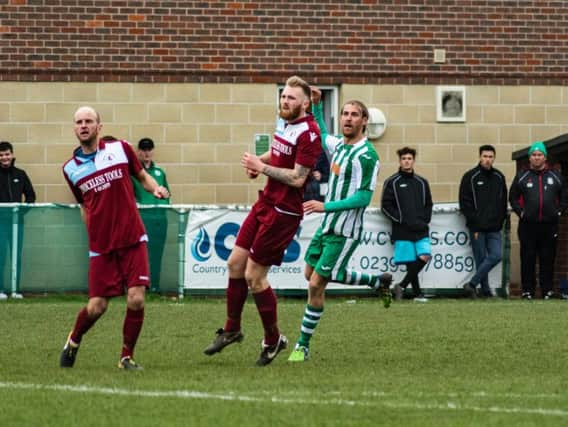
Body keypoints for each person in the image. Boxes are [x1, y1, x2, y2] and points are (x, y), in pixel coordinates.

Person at [203, 76, 321, 366]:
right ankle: (232, 329)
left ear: (305, 103)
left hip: (284, 212)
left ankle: (273, 340)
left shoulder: (310, 133)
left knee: (254, 277)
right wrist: (260, 160)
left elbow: (298, 177)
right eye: (283, 96)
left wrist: (262, 167)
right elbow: (279, 153)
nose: (285, 101)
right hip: (266, 202)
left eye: (291, 98)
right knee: (234, 264)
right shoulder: (287, 123)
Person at [59, 106, 170, 370]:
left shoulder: (120, 149)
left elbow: (142, 177)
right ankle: (73, 341)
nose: (83, 125)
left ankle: (126, 357)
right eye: (79, 122)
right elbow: (85, 206)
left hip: (132, 237)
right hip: (102, 246)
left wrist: (156, 188)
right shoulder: (70, 169)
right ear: (75, 129)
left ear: (99, 127)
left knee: (136, 298)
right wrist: (92, 236)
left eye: (89, 121)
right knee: (97, 307)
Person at [287, 87, 391, 363]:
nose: (348, 119)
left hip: (344, 231)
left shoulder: (366, 156)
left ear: (364, 121)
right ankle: (376, 281)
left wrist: (325, 206)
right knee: (310, 275)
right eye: (344, 113)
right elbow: (322, 135)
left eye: (354, 115)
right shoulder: (340, 146)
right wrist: (318, 107)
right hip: (327, 226)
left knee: (316, 284)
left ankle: (302, 346)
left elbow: (363, 197)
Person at [509, 141, 568, 300]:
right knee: (527, 258)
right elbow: (513, 197)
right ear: (529, 158)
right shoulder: (522, 176)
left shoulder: (555, 176)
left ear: (545, 157)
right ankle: (527, 290)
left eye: (539, 155)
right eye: (534, 155)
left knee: (547, 258)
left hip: (549, 225)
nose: (536, 158)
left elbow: (564, 196)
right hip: (528, 225)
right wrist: (521, 213)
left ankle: (547, 290)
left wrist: (559, 211)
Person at [382, 147, 433, 303]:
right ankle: (417, 294)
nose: (407, 161)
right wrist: (401, 219)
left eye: (409, 158)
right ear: (400, 161)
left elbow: (429, 204)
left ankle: (401, 286)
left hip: (421, 228)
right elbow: (385, 206)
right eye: (404, 158)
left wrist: (424, 220)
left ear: (413, 161)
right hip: (402, 229)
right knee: (411, 263)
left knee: (425, 255)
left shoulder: (422, 182)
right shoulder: (392, 182)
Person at [459, 145, 507, 299]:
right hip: (477, 227)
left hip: (494, 227)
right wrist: (474, 222)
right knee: (480, 259)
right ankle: (485, 291)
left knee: (496, 255)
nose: (487, 159)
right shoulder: (470, 176)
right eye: (485, 156)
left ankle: (471, 284)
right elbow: (464, 203)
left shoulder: (499, 176)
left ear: (494, 158)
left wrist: (500, 220)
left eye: (490, 156)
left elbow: (503, 201)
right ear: (480, 157)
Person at [131, 137, 171, 293]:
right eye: (143, 150)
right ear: (138, 152)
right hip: (143, 218)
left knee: (157, 253)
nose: (146, 153)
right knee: (141, 255)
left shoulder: (160, 172)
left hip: (160, 219)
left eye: (149, 150)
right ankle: (141, 287)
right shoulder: (135, 174)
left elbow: (167, 194)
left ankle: (155, 287)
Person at [0, 141, 36, 300]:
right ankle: (0, 290)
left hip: (17, 223)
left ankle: (15, 290)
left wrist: (21, 212)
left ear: (12, 155)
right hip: (1, 224)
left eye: (7, 154)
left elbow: (31, 196)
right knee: (1, 256)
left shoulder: (20, 174)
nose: (4, 157)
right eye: (1, 155)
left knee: (16, 256)